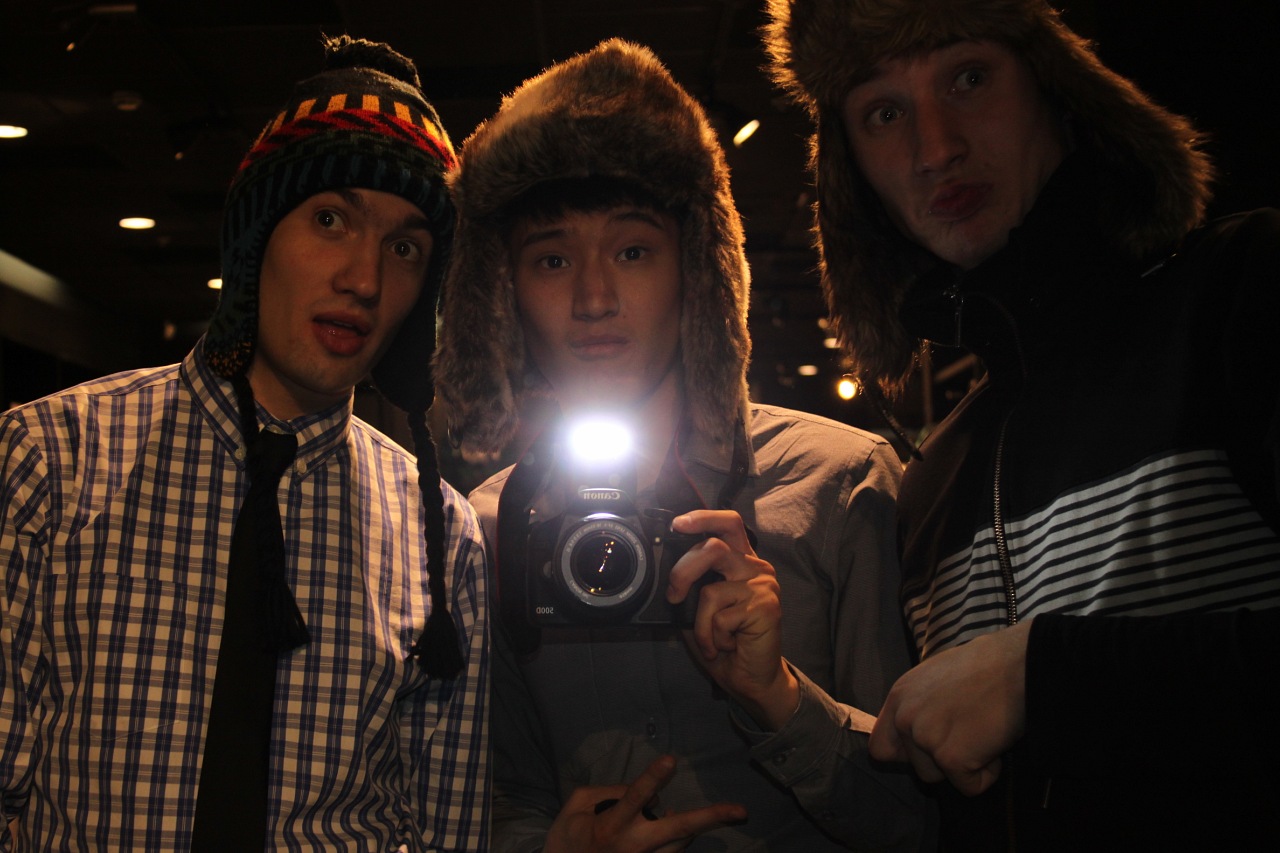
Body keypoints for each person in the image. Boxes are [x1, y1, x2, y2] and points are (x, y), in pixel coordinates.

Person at [764, 0, 1280, 848]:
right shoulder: (931, 483)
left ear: (1054, 82)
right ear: (851, 170)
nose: (936, 147)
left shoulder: (1242, 294)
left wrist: (1044, 677)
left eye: (968, 77)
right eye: (884, 113)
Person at [434, 38, 933, 852]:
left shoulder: (839, 483)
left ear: (695, 268)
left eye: (633, 251)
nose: (594, 297)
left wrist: (779, 696)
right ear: (505, 292)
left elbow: (924, 820)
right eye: (552, 258)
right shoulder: (488, 526)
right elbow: (504, 796)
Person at [0, 35, 488, 851]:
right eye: (330, 219)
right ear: (257, 234)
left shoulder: (442, 534)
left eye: (404, 247)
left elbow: (448, 830)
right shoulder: (53, 456)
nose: (364, 279)